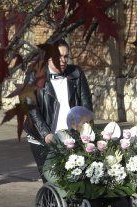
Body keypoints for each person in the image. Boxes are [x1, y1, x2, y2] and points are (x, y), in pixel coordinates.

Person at [24, 38, 93, 181]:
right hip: (43, 136)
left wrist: (85, 129)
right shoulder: (34, 75)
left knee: (75, 179)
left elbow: (86, 104)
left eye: (65, 56)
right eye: (58, 56)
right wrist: (45, 133)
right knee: (52, 180)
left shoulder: (76, 74)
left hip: (70, 135)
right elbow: (31, 107)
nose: (62, 60)